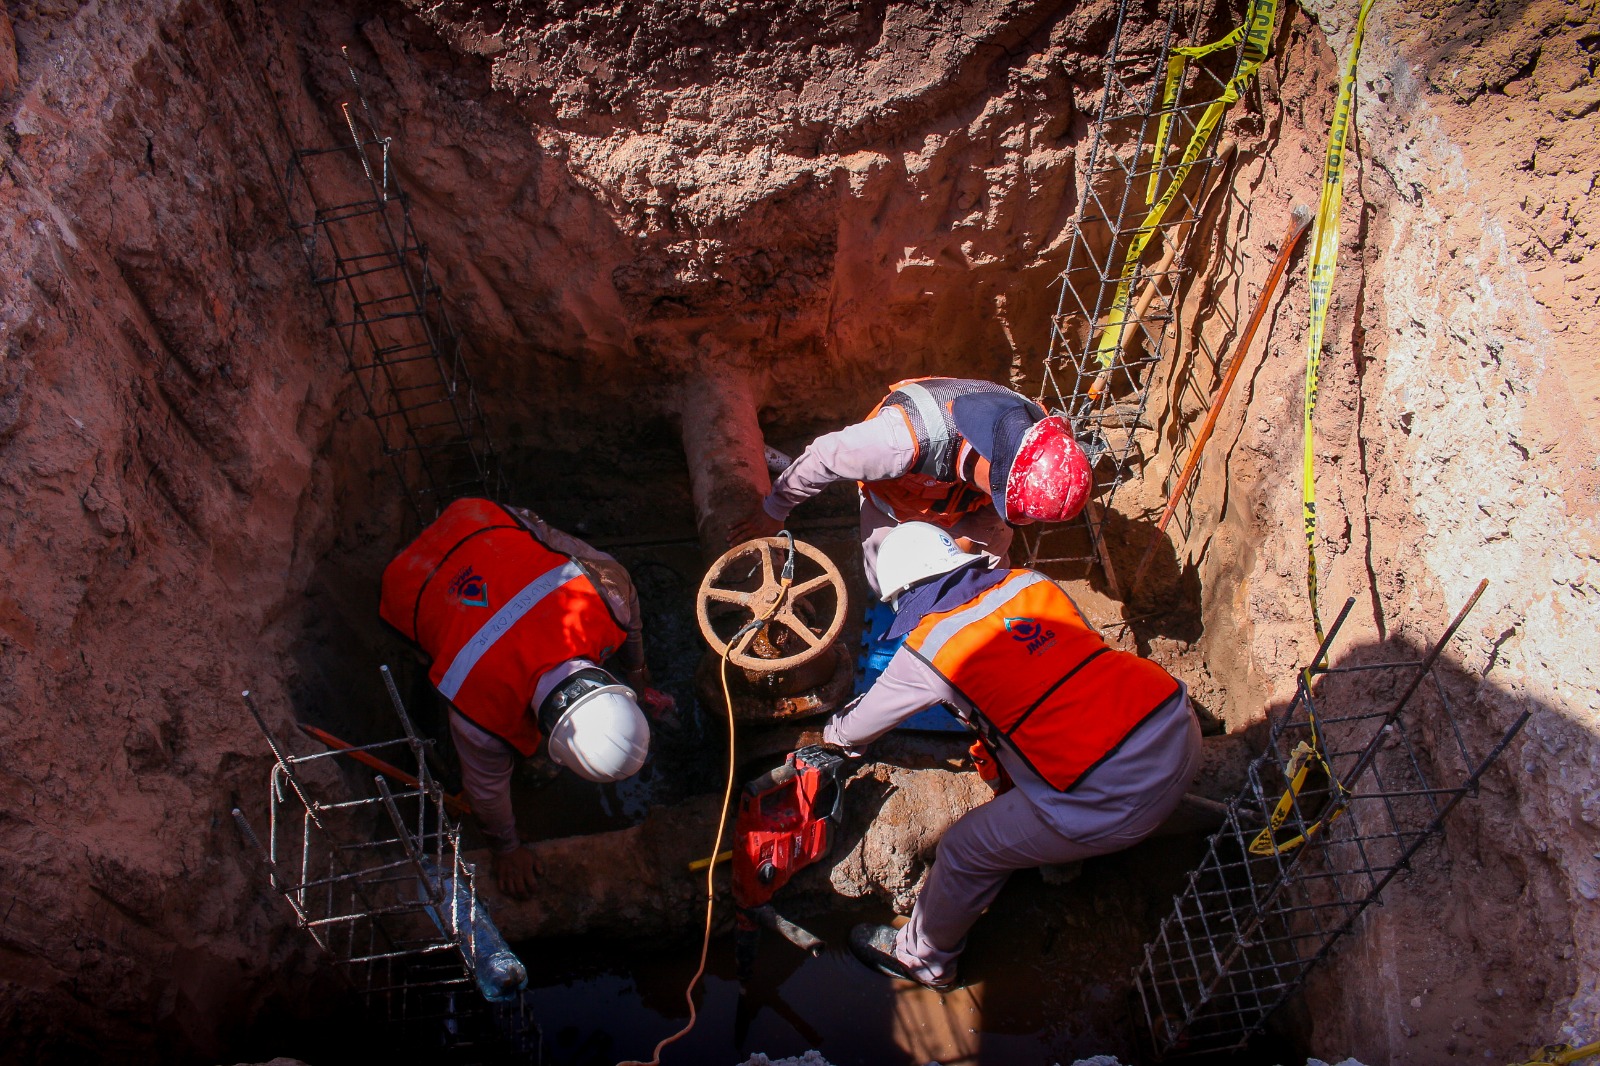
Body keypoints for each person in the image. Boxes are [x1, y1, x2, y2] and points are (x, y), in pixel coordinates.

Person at [824, 522, 1200, 990]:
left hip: (1113, 799)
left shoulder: (934, 646)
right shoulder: (1029, 581)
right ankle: (1060, 853)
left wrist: (833, 737)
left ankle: (924, 960)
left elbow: (859, 726)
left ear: (909, 594)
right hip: (1177, 728)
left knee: (964, 850)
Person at [380, 497, 675, 899]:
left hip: (477, 517)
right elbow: (486, 791)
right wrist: (506, 848)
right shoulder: (479, 710)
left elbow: (632, 620)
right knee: (431, 652)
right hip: (406, 581)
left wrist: (639, 676)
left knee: (558, 550)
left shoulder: (606, 594)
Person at [728, 377, 1093, 593]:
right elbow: (823, 457)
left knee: (986, 572)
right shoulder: (898, 443)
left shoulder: (1038, 435)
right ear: (988, 460)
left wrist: (965, 553)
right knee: (887, 582)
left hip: (963, 506)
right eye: (998, 494)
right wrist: (774, 511)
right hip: (896, 508)